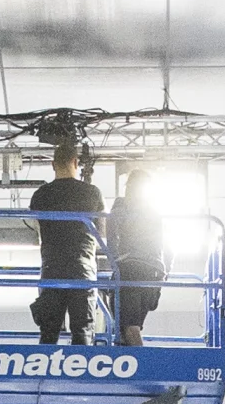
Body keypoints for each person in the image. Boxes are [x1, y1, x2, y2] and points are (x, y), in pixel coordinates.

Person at [28, 130, 103, 345]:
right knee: (82, 331)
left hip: (52, 268)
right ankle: (81, 375)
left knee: (49, 331)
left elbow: (36, 230)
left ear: (53, 164)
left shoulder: (40, 194)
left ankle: (41, 374)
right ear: (75, 162)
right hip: (82, 269)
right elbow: (101, 233)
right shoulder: (92, 193)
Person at [106, 164, 165, 346]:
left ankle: (147, 369)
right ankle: (131, 367)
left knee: (129, 327)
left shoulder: (121, 208)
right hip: (153, 275)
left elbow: (111, 239)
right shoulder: (154, 213)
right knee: (129, 327)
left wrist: (115, 264)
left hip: (130, 269)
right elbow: (167, 246)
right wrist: (164, 271)